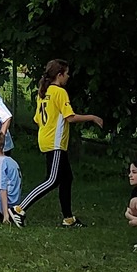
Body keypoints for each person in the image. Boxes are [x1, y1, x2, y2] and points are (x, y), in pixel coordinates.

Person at [15, 59, 102, 228]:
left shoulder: (43, 92)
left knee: (66, 178)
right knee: (52, 180)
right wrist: (92, 117)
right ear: (59, 75)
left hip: (46, 138)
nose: (68, 76)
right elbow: (70, 117)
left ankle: (68, 219)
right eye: (67, 73)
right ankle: (19, 209)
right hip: (55, 142)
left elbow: (37, 119)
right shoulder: (59, 92)